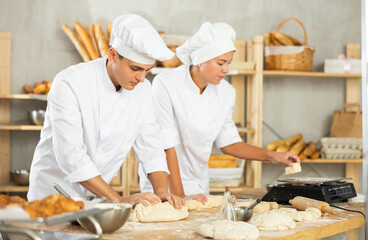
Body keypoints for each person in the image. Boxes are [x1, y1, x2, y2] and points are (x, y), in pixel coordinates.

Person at [28, 14, 184, 208]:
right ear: (112, 55)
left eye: (147, 71)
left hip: (99, 195)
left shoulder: (142, 90)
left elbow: (151, 147)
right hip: (55, 194)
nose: (142, 78)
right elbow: (71, 155)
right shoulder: (70, 83)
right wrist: (118, 200)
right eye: (135, 68)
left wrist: (161, 192)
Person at [140, 22, 300, 203]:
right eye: (220, 63)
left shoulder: (226, 92)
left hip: (198, 184)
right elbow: (166, 145)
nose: (226, 69)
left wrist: (275, 157)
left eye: (228, 63)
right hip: (165, 186)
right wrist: (180, 195)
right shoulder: (166, 84)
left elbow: (229, 143)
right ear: (200, 59)